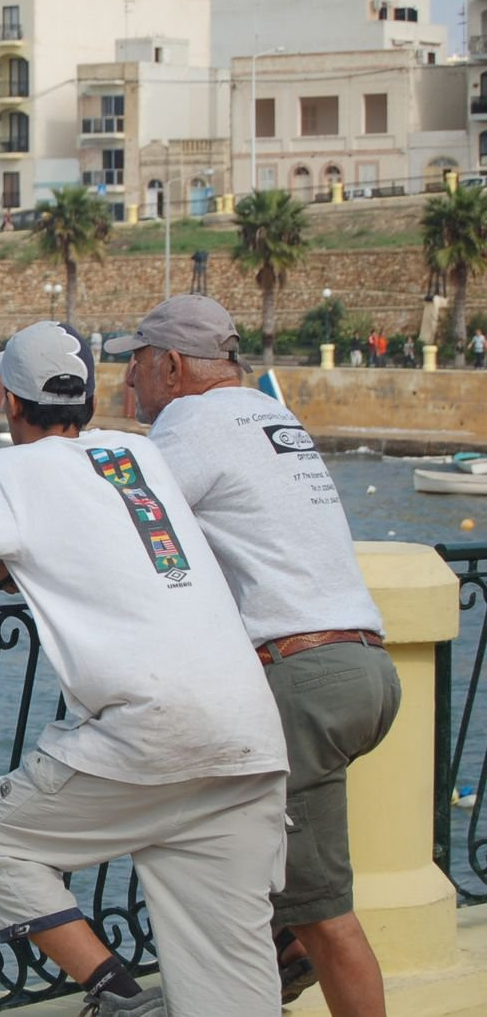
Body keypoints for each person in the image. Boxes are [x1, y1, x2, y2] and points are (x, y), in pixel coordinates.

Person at [0, 321, 288, 1016]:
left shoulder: (9, 470)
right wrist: (7, 555)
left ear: (10, 401)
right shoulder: (137, 455)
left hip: (152, 731)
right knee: (231, 992)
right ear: (84, 398)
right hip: (248, 733)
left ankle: (113, 991)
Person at [108, 294, 402, 1015]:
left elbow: (110, 521)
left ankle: (278, 951)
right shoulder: (272, 414)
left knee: (325, 913)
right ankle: (264, 960)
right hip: (362, 666)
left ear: (171, 367)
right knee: (226, 843)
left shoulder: (189, 423)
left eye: (136, 365)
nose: (127, 384)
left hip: (301, 679)